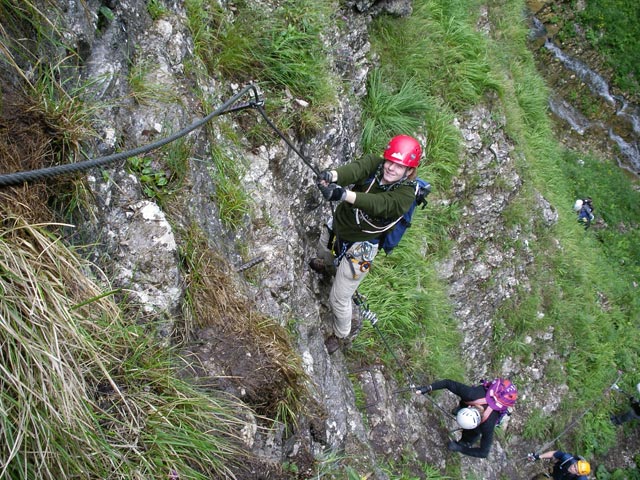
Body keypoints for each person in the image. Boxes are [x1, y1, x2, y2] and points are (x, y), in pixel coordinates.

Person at [309, 134, 423, 354]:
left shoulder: (405, 195)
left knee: (339, 298)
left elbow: (379, 204)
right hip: (340, 226)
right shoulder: (375, 165)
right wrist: (331, 176)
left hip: (363, 246)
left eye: (399, 166)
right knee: (323, 251)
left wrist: (343, 194)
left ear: (409, 171)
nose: (390, 168)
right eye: (390, 161)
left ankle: (340, 334)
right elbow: (354, 170)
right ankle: (330, 267)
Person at [415, 378, 518, 458]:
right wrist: (427, 388)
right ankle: (460, 408)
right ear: (470, 408)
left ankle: (466, 441)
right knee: (465, 400)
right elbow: (448, 383)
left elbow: (484, 453)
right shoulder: (470, 394)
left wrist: (460, 448)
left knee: (474, 433)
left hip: (480, 415)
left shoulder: (488, 425)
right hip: (475, 399)